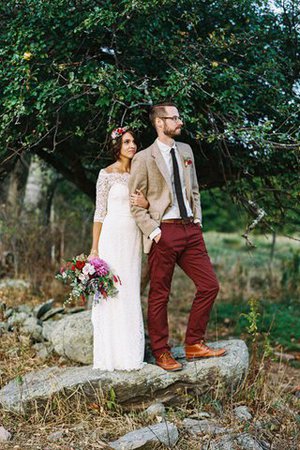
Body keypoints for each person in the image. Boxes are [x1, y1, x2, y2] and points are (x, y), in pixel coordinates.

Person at [129, 102, 226, 372]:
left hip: (190, 230)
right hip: (165, 231)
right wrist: (156, 232)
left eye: (179, 117)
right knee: (160, 294)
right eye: (174, 118)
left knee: (209, 285)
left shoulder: (186, 151)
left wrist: (198, 220)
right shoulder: (144, 158)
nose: (180, 122)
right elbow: (135, 205)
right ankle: (161, 351)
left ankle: (194, 343)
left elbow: (193, 189)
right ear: (159, 123)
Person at [89, 127, 148, 371]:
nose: (132, 145)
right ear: (117, 146)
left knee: (130, 289)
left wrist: (145, 202)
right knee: (111, 291)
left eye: (134, 141)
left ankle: (130, 354)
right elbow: (99, 212)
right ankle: (109, 355)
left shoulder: (140, 172)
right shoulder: (106, 174)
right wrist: (94, 249)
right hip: (111, 236)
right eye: (126, 142)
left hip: (133, 237)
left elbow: (150, 205)